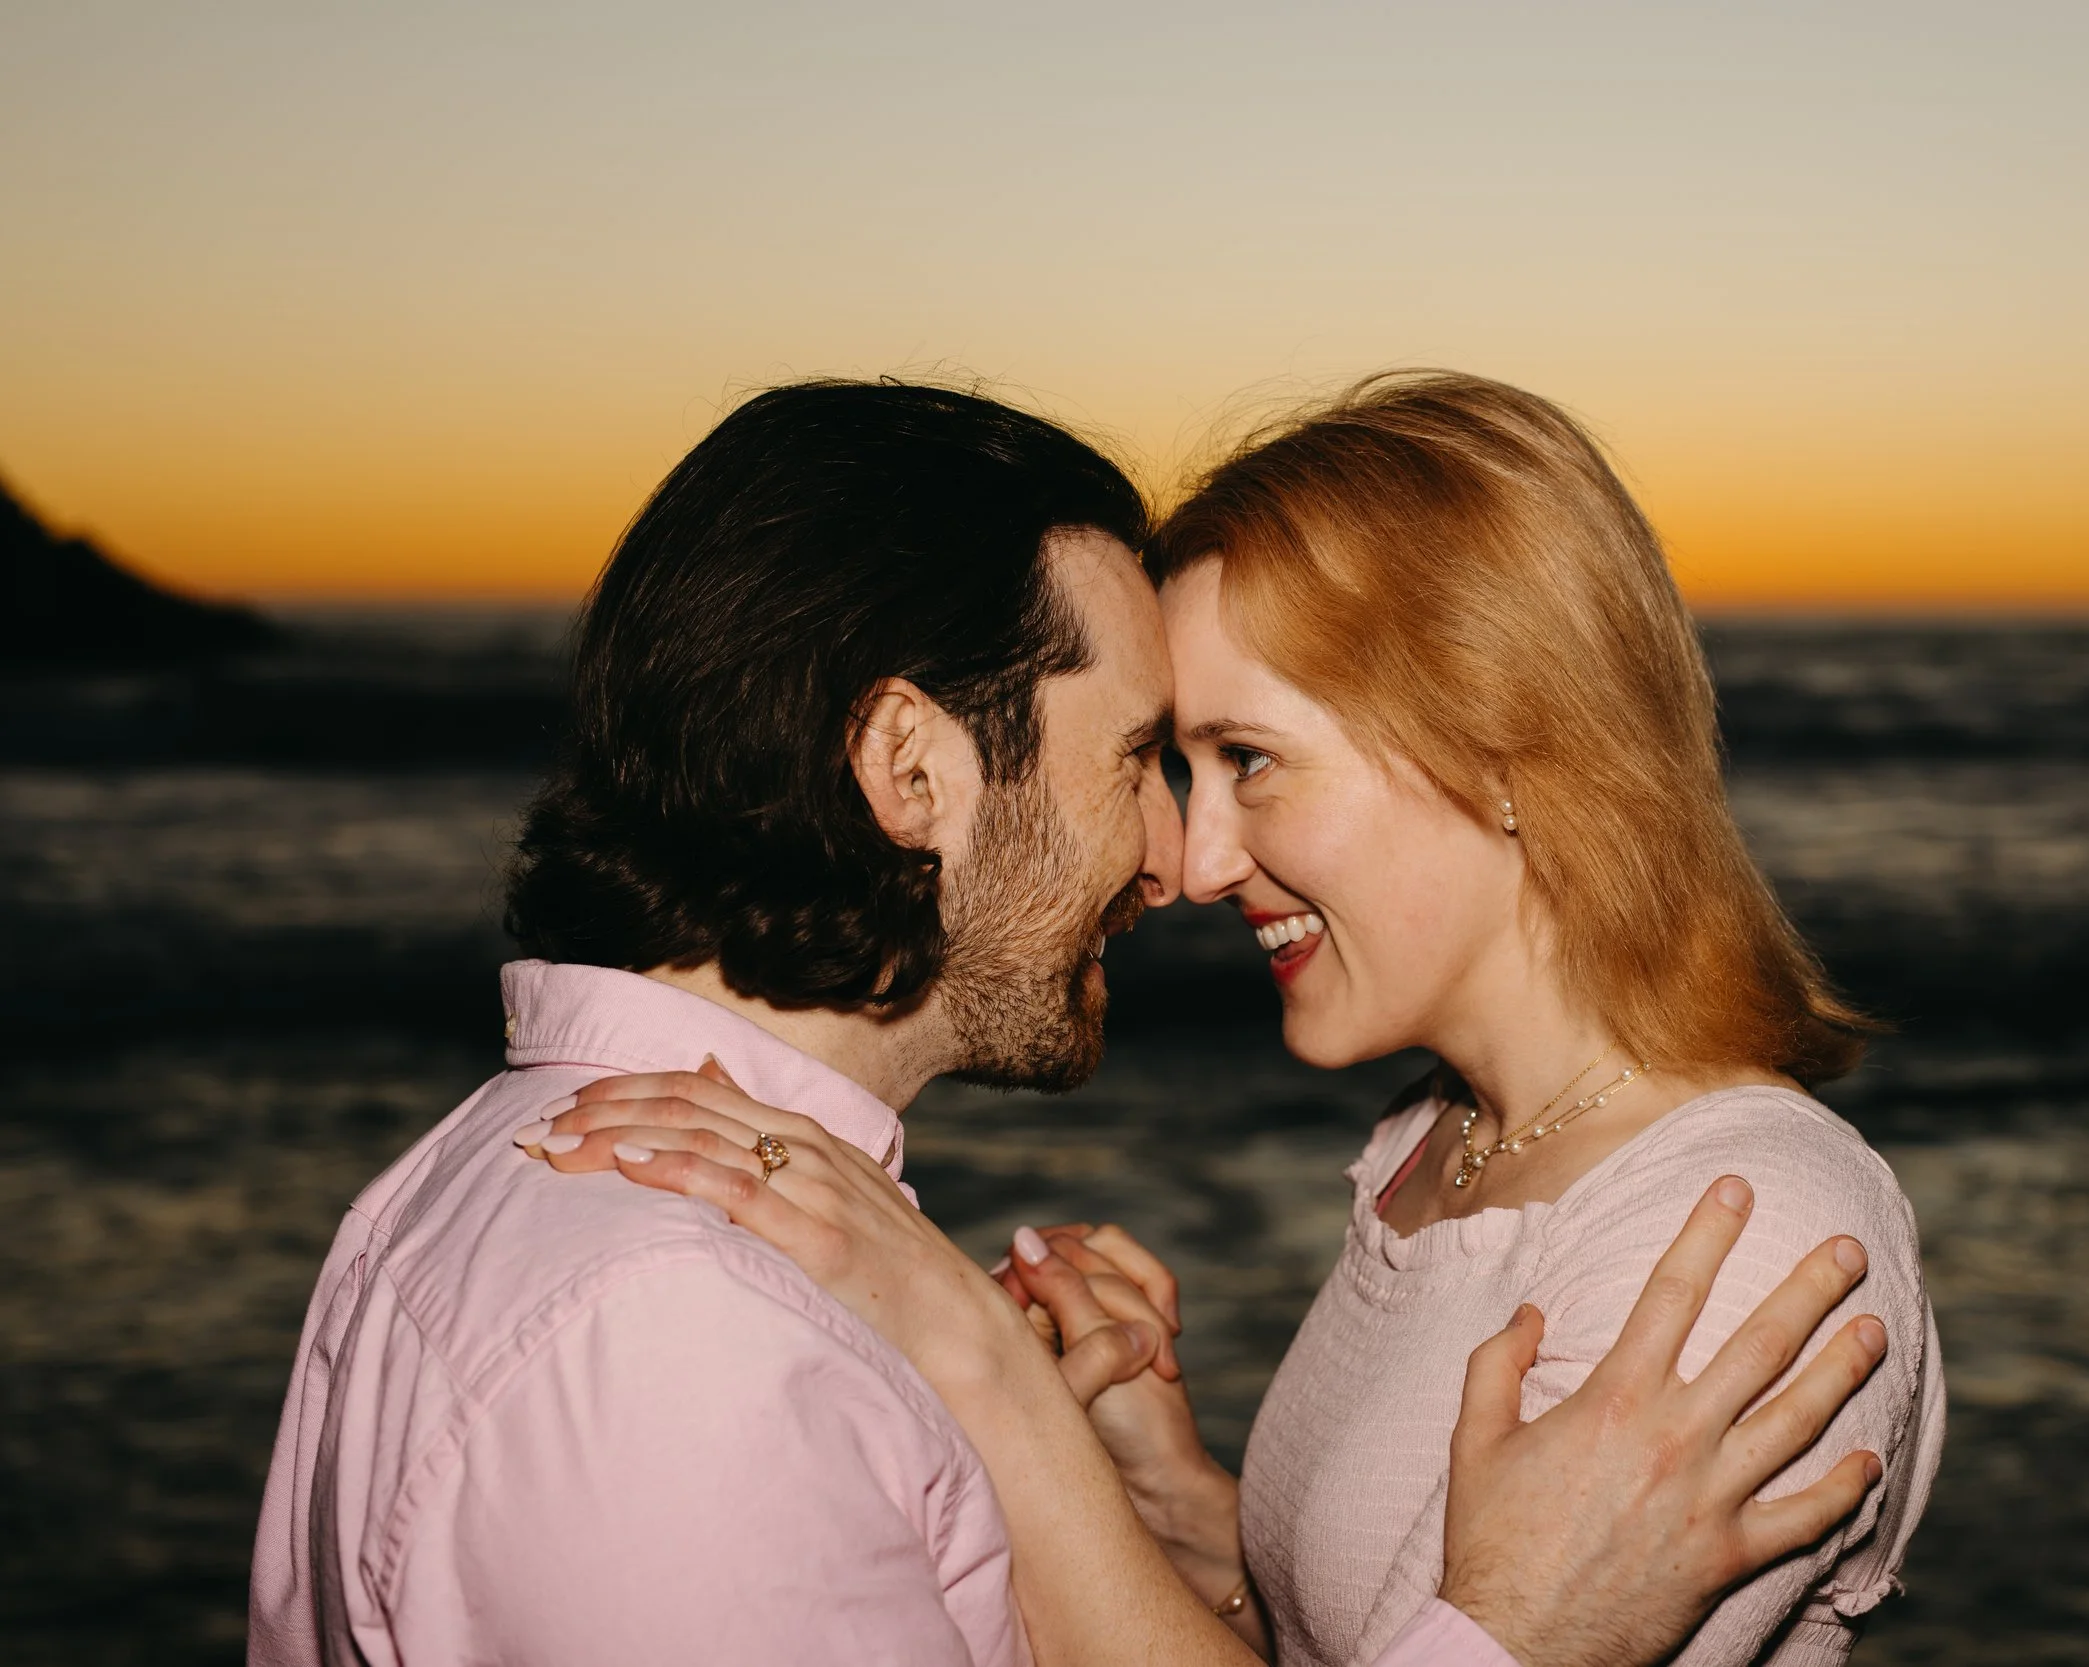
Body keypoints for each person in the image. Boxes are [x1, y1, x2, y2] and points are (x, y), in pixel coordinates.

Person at [249, 380, 1889, 1667]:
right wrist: (1518, 1637)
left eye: (1244, 759)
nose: (1185, 859)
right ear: (910, 771)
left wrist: (1116, 1484)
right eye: (1148, 760)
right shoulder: (675, 1334)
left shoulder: (495, 1188)